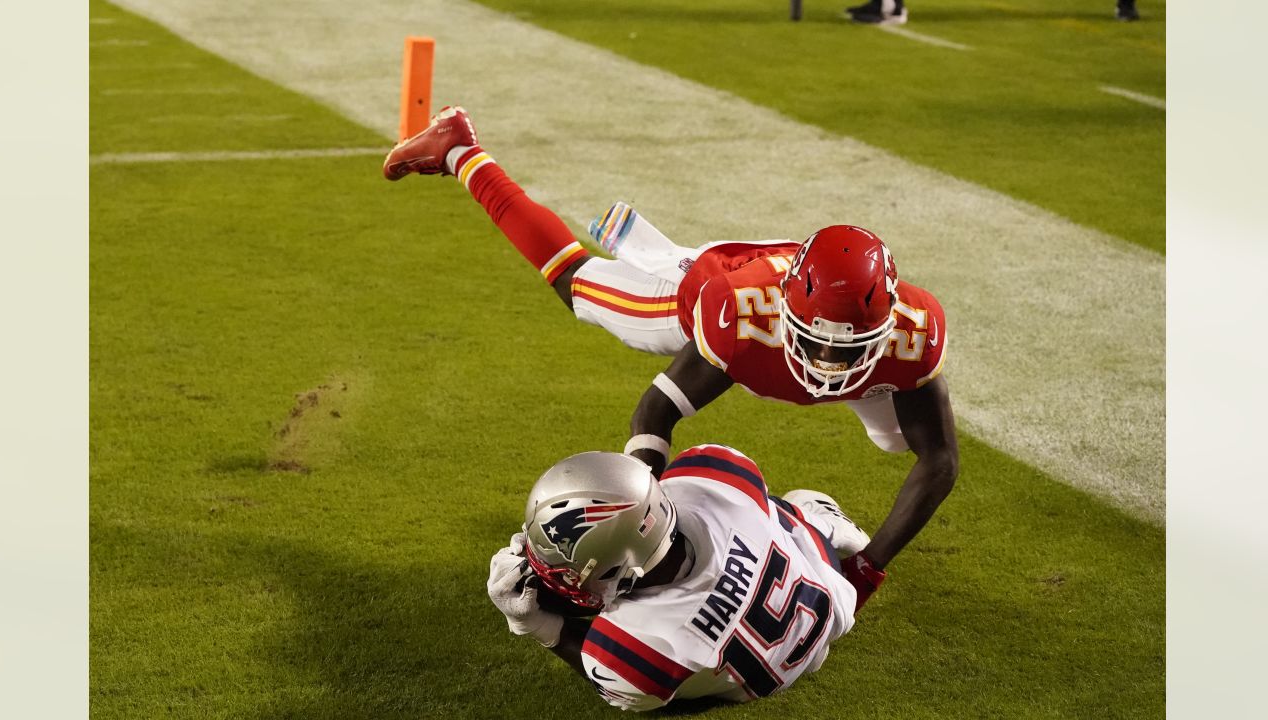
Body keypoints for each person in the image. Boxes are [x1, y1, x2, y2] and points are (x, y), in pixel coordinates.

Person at [384, 107, 958, 601]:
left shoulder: (915, 333)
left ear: (886, 326)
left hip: (813, 334)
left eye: (846, 348)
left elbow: (940, 462)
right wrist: (641, 508)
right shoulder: (741, 316)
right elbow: (656, 412)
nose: (827, 365)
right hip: (706, 289)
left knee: (902, 441)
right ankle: (458, 147)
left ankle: (826, 520)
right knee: (577, 285)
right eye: (816, 342)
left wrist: (866, 569)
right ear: (788, 313)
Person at [486, 446, 882, 710]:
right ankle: (816, 521)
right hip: (830, 594)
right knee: (769, 510)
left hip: (773, 672)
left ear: (617, 569)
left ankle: (817, 518)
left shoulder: (630, 654)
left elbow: (621, 687)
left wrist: (537, 625)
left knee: (666, 679)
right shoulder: (712, 470)